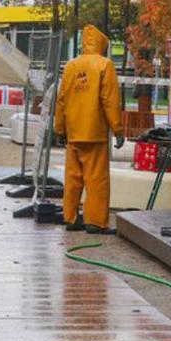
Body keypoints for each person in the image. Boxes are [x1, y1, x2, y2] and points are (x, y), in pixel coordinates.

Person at [56, 24, 123, 234]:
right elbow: (109, 101)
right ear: (102, 44)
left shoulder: (70, 66)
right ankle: (95, 222)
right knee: (96, 180)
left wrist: (60, 129)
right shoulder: (105, 65)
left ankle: (70, 217)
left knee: (73, 178)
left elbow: (61, 100)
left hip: (73, 133)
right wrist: (118, 130)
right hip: (95, 133)